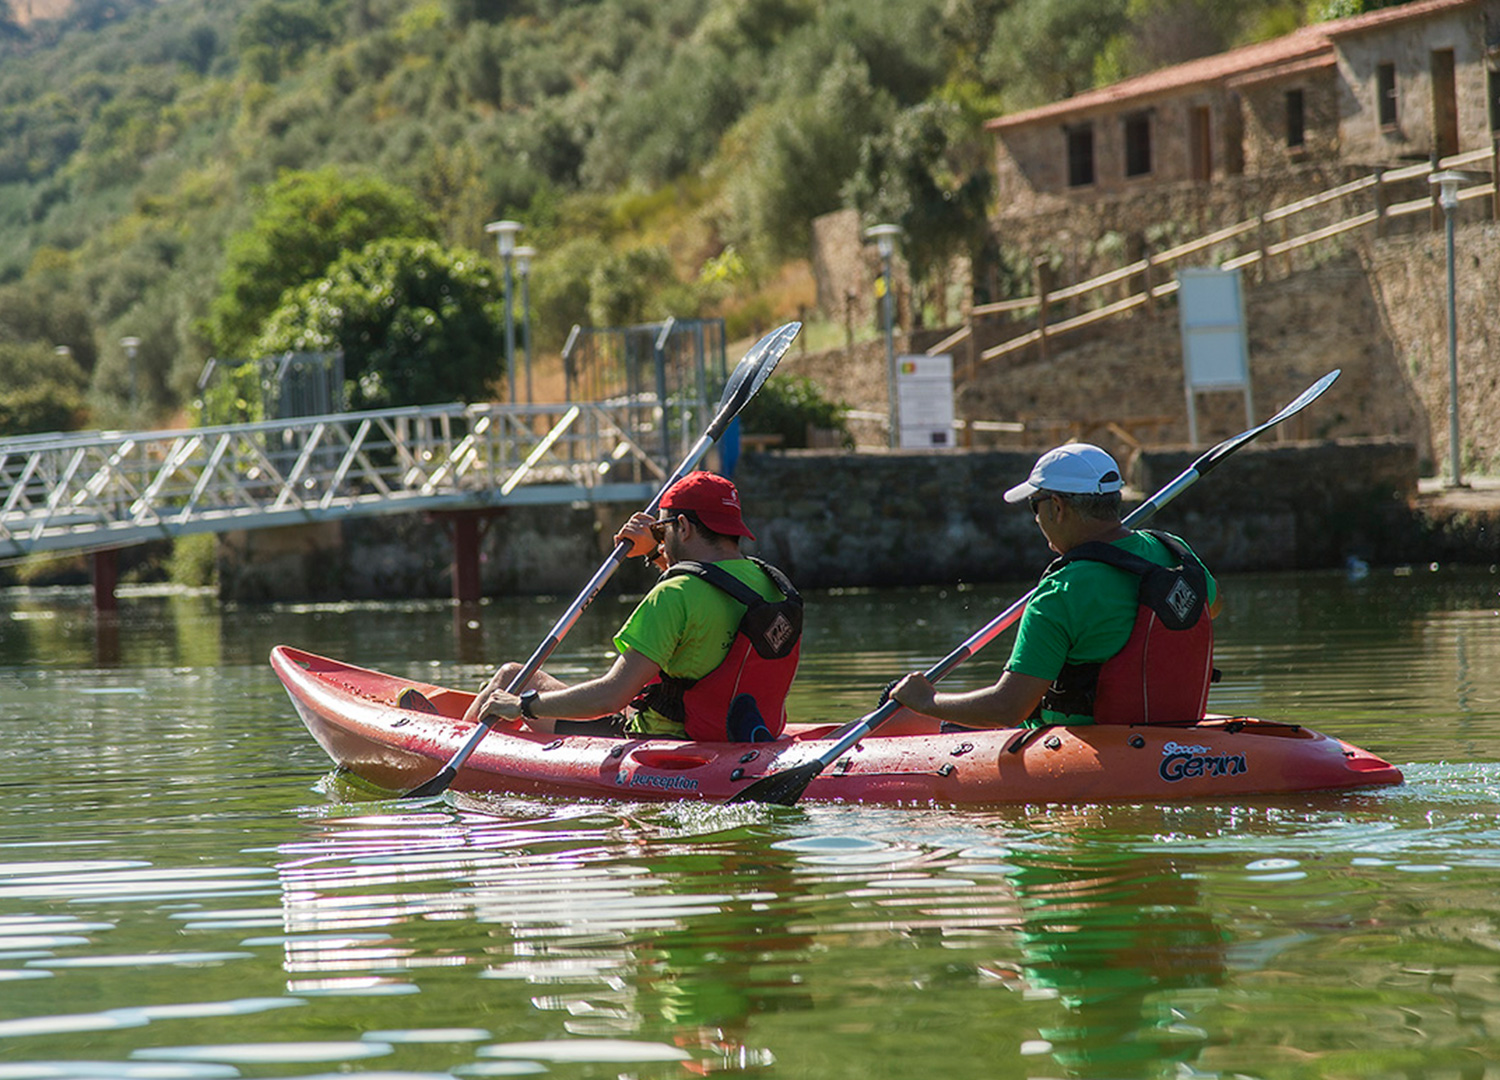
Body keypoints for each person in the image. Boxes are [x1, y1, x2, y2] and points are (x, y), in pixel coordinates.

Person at [889, 443, 1218, 729]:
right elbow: (1211, 607)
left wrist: (928, 701)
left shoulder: (1060, 592)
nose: (1035, 519)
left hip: (1093, 746)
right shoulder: (1173, 551)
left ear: (1057, 507)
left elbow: (1008, 708)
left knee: (928, 723)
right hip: (1175, 731)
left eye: (1035, 506)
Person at [465, 471, 801, 741]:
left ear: (682, 527)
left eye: (662, 528)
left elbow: (611, 697)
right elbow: (711, 590)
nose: (660, 536)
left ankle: (452, 740)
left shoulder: (672, 595)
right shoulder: (769, 583)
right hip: (739, 734)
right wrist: (656, 554)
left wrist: (522, 706)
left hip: (657, 740)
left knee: (512, 676)